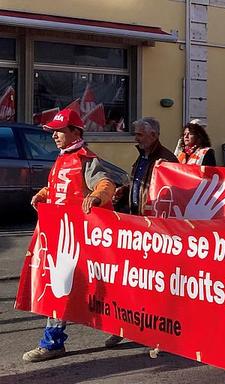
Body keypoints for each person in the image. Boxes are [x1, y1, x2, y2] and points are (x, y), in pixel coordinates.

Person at [22, 108, 127, 362]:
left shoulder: (84, 158)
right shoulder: (62, 157)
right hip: (59, 237)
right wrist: (43, 194)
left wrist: (97, 196)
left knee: (74, 287)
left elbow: (104, 183)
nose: (54, 136)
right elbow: (59, 187)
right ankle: (56, 340)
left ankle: (56, 342)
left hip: (79, 238)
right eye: (53, 131)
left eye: (59, 131)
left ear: (74, 132)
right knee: (67, 288)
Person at [115, 117, 178, 215]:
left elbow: (174, 192)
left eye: (139, 135)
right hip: (137, 213)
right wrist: (126, 190)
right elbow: (141, 183)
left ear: (153, 135)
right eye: (135, 134)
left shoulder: (168, 159)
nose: (136, 139)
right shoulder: (143, 155)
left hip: (152, 216)